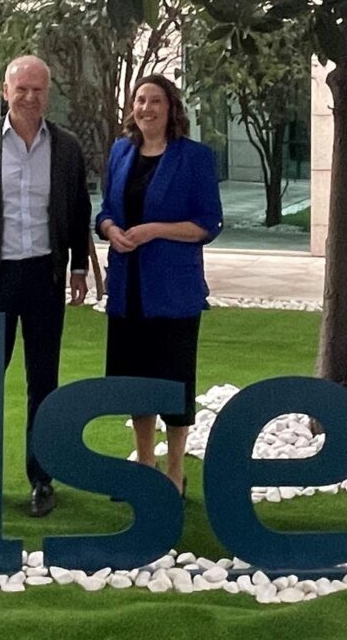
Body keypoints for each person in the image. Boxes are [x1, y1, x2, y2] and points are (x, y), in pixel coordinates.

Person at [0, 55, 91, 518]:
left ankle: (42, 478)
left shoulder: (65, 147)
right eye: (21, 89)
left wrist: (79, 268)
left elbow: (78, 210)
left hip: (45, 277)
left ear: (49, 93)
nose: (30, 97)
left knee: (43, 381)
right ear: (5, 91)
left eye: (38, 89)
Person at [95, 74, 223, 498]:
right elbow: (105, 210)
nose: (146, 108)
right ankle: (144, 465)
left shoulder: (195, 158)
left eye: (155, 101)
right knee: (136, 383)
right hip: (127, 289)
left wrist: (154, 230)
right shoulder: (120, 151)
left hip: (173, 291)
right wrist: (110, 228)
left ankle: (174, 471)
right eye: (140, 100)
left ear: (171, 109)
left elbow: (208, 224)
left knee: (173, 381)